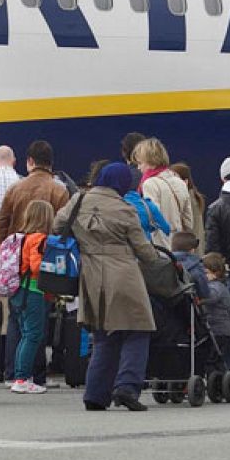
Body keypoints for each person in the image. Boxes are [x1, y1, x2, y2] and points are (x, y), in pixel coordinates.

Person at [58, 162, 162, 412]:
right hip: (123, 274)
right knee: (138, 329)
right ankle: (127, 386)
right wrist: (159, 258)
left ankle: (95, 393)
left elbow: (58, 226)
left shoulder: (78, 201)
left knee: (104, 336)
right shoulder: (124, 208)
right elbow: (145, 252)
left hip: (91, 277)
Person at [6, 200, 57, 393]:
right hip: (34, 291)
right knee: (33, 335)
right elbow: (36, 266)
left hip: (19, 290)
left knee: (24, 335)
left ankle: (20, 376)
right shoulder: (40, 238)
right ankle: (22, 378)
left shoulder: (22, 237)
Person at [0, 140, 71, 242]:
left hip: (18, 252)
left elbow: (1, 226)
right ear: (51, 162)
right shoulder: (60, 191)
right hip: (47, 252)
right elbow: (64, 227)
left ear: (30, 161)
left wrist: (10, 247)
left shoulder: (14, 189)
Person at [135, 138, 196, 234]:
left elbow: (152, 219)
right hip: (178, 243)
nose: (138, 168)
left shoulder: (149, 184)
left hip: (158, 244)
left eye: (140, 163)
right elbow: (188, 222)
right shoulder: (180, 182)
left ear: (151, 161)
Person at [200, 252, 230, 377]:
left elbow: (212, 296)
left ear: (215, 272)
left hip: (219, 331)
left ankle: (216, 379)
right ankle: (219, 377)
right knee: (213, 358)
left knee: (213, 358)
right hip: (213, 330)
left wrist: (200, 298)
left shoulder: (217, 287)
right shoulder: (212, 285)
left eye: (205, 273)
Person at [167, 162, 207, 253]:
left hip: (191, 251)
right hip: (195, 249)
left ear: (185, 181)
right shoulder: (194, 197)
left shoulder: (189, 199)